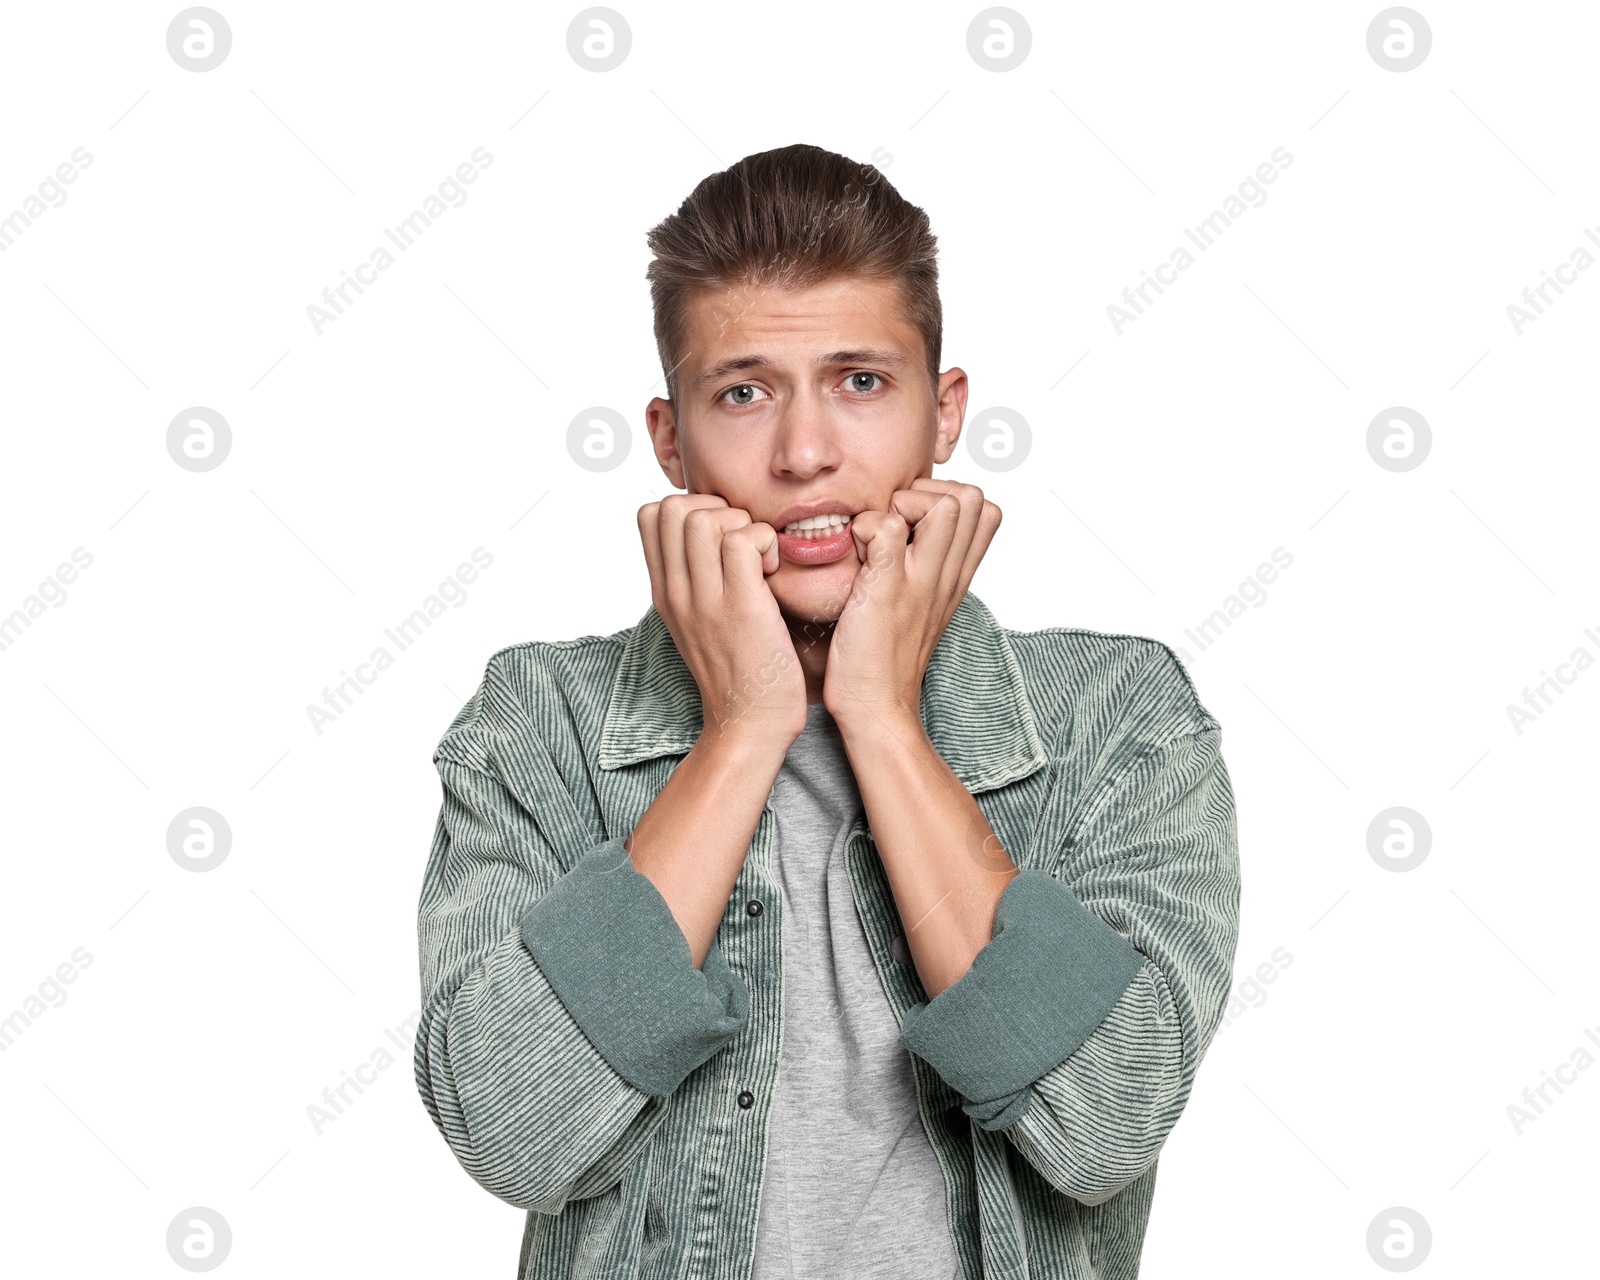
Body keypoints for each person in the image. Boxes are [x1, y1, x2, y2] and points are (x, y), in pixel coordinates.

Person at [413, 142, 1241, 1279]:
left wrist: (884, 719)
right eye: (742, 392)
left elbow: (1100, 1122)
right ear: (670, 440)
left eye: (860, 381)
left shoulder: (1117, 721)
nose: (804, 454)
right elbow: (514, 1130)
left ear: (942, 413)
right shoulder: (542, 722)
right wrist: (743, 730)